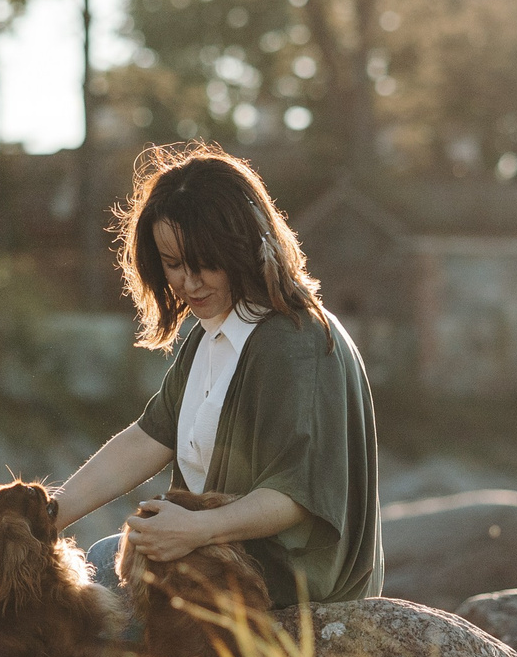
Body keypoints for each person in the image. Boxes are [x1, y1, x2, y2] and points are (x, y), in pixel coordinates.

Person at [54, 142, 383, 608]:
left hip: (292, 584)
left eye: (205, 263)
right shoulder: (211, 335)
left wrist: (196, 529)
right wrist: (52, 512)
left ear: (243, 246)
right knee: (105, 564)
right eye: (173, 264)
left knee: (94, 591)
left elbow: (298, 492)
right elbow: (150, 438)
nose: (189, 283)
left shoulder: (294, 341)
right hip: (224, 555)